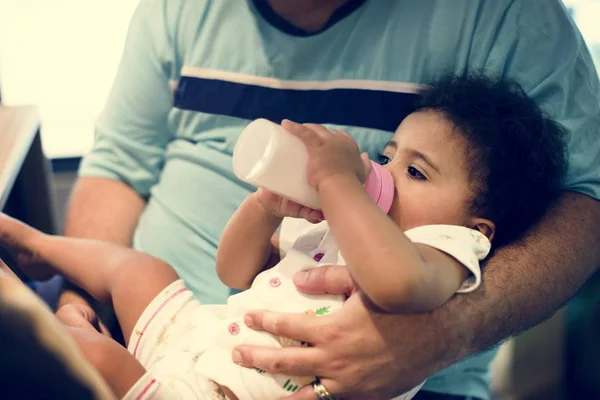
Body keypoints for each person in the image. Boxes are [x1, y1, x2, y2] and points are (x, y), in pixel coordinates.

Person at [60, 0, 600, 399]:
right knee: (133, 272)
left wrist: (441, 333)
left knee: (78, 358)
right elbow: (232, 269)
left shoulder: (441, 250)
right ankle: (31, 244)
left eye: (414, 171)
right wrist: (265, 204)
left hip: (235, 386)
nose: (382, 172)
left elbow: (586, 199)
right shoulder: (334, 229)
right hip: (204, 328)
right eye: (387, 156)